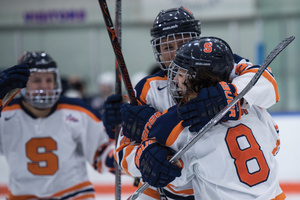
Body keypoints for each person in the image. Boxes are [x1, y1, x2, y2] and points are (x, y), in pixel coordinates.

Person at [105, 6, 280, 199]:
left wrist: (227, 94)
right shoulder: (148, 89)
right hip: (174, 189)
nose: (175, 53)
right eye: (167, 47)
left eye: (183, 43)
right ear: (157, 51)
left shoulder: (220, 67)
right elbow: (122, 151)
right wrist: (144, 159)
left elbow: (266, 83)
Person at [0, 51, 115, 200]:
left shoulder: (78, 111)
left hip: (73, 196)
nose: (44, 86)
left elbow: (104, 154)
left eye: (49, 79)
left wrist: (125, 151)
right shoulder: (6, 113)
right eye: (36, 80)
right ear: (22, 83)